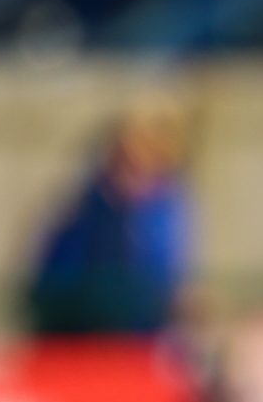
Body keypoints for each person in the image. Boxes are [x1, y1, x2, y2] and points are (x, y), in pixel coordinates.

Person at [23, 98, 196, 341]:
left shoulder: (169, 207)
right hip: (86, 340)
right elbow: (52, 289)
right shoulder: (84, 213)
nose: (135, 176)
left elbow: (171, 279)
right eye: (127, 162)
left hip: (143, 342)